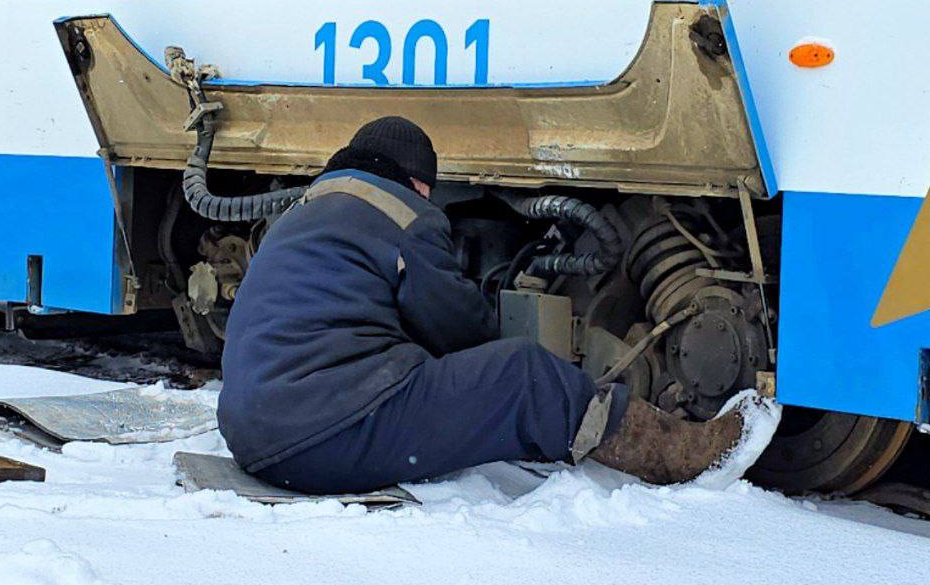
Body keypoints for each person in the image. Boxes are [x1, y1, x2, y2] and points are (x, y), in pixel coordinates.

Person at [217, 116, 759, 494]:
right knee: (524, 376)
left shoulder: (300, 213)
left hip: (253, 434)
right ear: (416, 181)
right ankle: (683, 455)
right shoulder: (405, 214)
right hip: (325, 437)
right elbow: (457, 329)